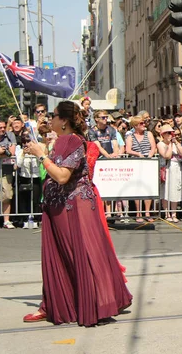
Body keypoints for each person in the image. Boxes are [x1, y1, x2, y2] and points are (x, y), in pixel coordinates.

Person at [21, 100, 132, 325]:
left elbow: (62, 175)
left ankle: (92, 304)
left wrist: (40, 155)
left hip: (72, 207)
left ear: (63, 120)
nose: (50, 119)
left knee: (78, 255)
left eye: (54, 115)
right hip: (60, 206)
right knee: (61, 256)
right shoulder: (63, 139)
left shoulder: (72, 140)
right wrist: (41, 151)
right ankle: (56, 303)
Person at [125, 115, 157, 222]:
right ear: (135, 126)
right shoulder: (130, 137)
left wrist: (149, 156)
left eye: (144, 123)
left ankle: (147, 212)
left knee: (147, 188)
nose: (144, 125)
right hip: (136, 164)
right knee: (137, 188)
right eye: (141, 123)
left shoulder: (149, 134)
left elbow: (153, 147)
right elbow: (128, 150)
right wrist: (138, 154)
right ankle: (138, 213)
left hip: (148, 164)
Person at [157, 124, 182, 222]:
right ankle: (166, 213)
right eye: (168, 133)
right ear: (163, 134)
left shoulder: (175, 142)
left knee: (175, 191)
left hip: (176, 168)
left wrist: (176, 143)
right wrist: (170, 145)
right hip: (166, 169)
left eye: (172, 133)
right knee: (165, 191)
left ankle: (174, 214)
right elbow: (167, 156)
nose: (171, 135)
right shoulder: (160, 144)